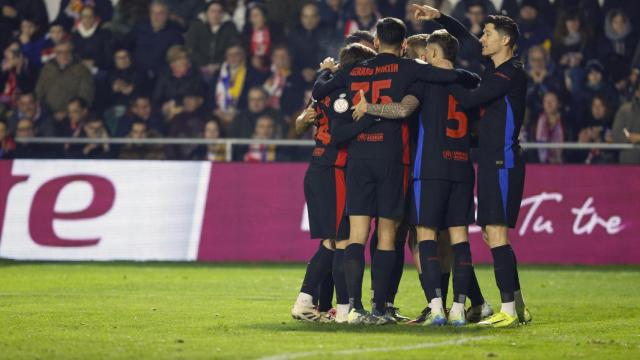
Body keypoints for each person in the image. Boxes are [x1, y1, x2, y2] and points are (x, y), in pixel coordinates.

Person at [312, 17, 476, 325]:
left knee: (357, 235)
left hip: (358, 158)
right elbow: (453, 76)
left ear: (375, 42)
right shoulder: (409, 67)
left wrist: (328, 73)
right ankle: (380, 308)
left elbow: (321, 90)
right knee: (387, 236)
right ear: (403, 46)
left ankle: (352, 309)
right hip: (393, 159)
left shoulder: (354, 70)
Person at [353, 28, 491, 326]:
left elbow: (403, 109)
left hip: (429, 169)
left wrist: (368, 108)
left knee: (424, 236)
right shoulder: (470, 81)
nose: (423, 57)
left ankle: (436, 307)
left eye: (427, 51)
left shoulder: (425, 82)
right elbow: (480, 128)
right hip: (463, 168)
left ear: (435, 53)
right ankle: (461, 307)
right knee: (459, 239)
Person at [414, 4, 532, 327]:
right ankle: (518, 305)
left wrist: (439, 73)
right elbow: (465, 39)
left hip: (502, 160)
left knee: (496, 235)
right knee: (491, 236)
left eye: (489, 34)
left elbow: (467, 101)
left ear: (505, 40)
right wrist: (439, 17)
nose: (482, 38)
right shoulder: (497, 69)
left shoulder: (510, 74)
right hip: (492, 161)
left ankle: (507, 309)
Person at [291, 42, 378, 324]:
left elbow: (306, 117)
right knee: (342, 240)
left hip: (321, 167)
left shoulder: (324, 90)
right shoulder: (343, 93)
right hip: (333, 169)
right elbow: (339, 133)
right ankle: (343, 311)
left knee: (330, 241)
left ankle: (305, 302)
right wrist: (369, 118)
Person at [35, 41, 94, 119]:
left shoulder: (82, 71)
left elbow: (85, 97)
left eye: (67, 52)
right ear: (55, 53)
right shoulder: (47, 69)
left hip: (71, 116)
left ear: (72, 53)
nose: (64, 55)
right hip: (46, 114)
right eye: (60, 52)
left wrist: (68, 113)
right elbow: (39, 92)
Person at [185, 0, 240, 79]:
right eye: (213, 11)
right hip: (198, 68)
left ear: (223, 14)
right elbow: (190, 48)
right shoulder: (196, 26)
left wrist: (218, 65)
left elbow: (233, 47)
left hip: (223, 68)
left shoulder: (230, 27)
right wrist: (204, 65)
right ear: (207, 13)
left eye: (219, 12)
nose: (215, 15)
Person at [611, 82, 640, 163]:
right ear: (637, 92)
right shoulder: (625, 111)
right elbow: (616, 136)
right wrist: (629, 137)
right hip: (629, 165)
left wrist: (638, 137)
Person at [535, 91, 565, 163]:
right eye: (546, 101)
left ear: (558, 103)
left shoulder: (566, 121)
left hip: (562, 164)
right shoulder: (535, 121)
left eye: (552, 101)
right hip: (539, 166)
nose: (549, 104)